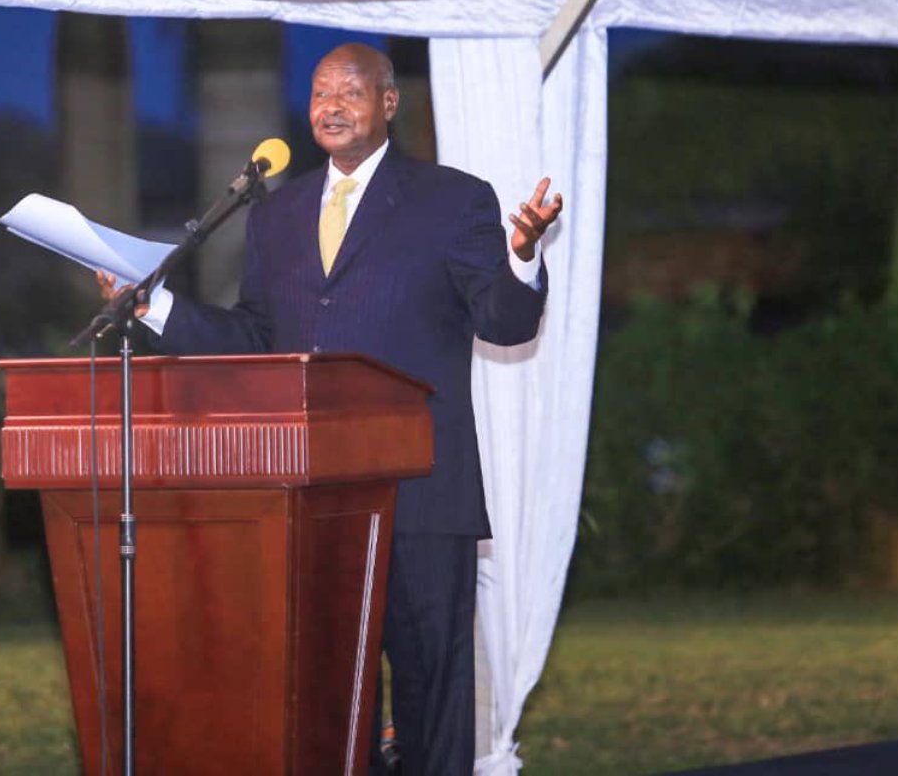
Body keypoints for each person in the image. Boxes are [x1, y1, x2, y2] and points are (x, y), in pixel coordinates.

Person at [99, 42, 561, 775]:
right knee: (328, 703)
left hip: (420, 494)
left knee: (430, 696)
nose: (331, 106)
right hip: (312, 501)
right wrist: (155, 307)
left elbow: (504, 322)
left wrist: (524, 256)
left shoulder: (452, 199)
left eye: (350, 91)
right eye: (319, 93)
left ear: (387, 103)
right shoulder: (275, 215)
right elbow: (255, 335)